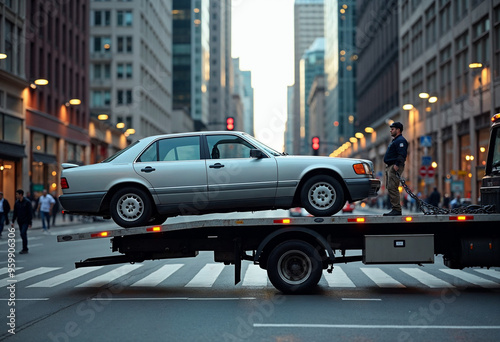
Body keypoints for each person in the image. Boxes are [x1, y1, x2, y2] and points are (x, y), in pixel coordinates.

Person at [383, 121, 408, 216]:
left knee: (393, 187)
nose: (390, 131)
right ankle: (395, 208)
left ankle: (396, 209)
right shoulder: (395, 140)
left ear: (398, 130)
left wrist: (397, 165)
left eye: (392, 129)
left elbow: (402, 154)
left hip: (394, 166)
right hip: (391, 166)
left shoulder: (401, 141)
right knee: (390, 187)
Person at [11, 189, 33, 254]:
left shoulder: (27, 202)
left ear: (20, 194)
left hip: (25, 221)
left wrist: (30, 222)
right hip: (19, 221)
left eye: (17, 194)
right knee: (23, 234)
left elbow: (30, 213)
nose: (16, 195)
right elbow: (15, 213)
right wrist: (13, 221)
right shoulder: (17, 203)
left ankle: (25, 248)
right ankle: (25, 248)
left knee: (23, 233)